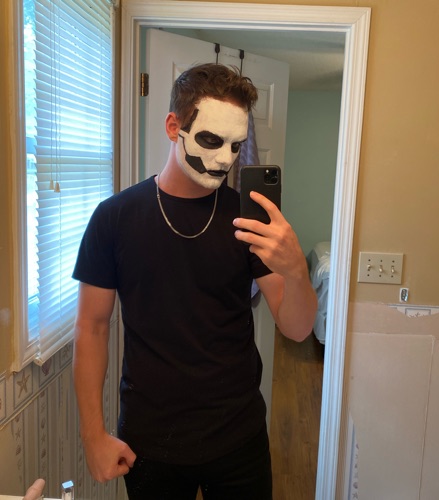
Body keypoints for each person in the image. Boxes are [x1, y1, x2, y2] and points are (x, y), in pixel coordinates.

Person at [72, 63, 317, 500]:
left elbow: (297, 329)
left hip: (238, 435)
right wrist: (93, 436)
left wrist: (297, 270)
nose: (225, 158)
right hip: (151, 440)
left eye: (235, 145)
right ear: (174, 127)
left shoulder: (248, 220)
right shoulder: (114, 218)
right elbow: (91, 328)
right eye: (210, 140)